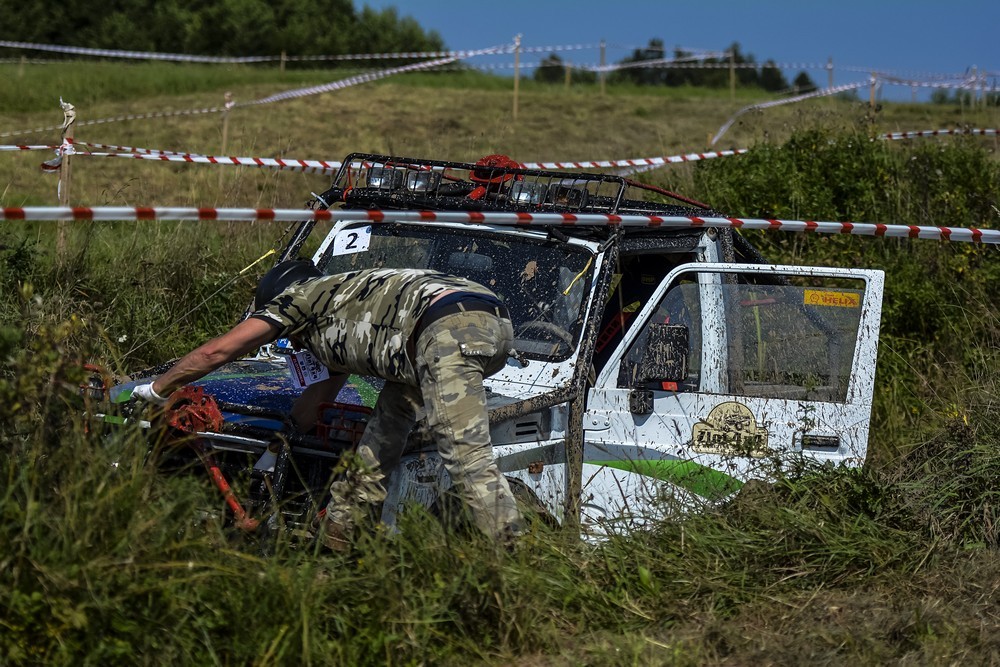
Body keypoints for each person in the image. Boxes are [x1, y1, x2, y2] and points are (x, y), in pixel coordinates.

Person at [133, 260, 524, 550]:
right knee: (382, 436)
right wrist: (277, 445)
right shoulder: (342, 304)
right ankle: (339, 539)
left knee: (464, 455)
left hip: (446, 331)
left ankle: (517, 557)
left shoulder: (300, 299)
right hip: (487, 324)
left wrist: (157, 390)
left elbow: (217, 353)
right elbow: (316, 403)